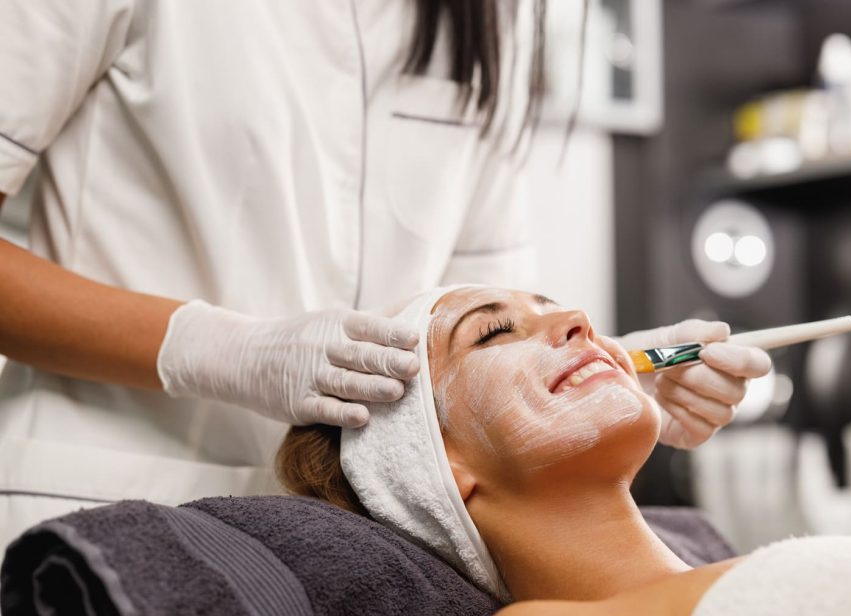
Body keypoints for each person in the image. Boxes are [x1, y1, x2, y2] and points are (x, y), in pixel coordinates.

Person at [0, 1, 769, 554]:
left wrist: (599, 379)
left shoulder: (488, 19)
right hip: (107, 521)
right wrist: (210, 348)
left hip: (362, 561)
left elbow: (484, 330)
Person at [277, 285, 851, 616]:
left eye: (553, 304)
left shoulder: (755, 568)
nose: (577, 318)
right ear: (440, 472)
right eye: (494, 331)